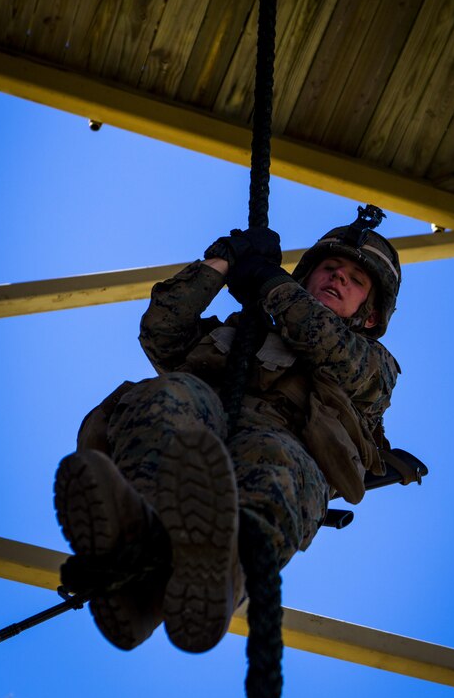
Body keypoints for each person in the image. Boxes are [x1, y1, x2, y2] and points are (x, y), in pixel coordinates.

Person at [54, 205, 401, 654]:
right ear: (307, 276)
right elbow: (161, 330)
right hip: (201, 433)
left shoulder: (374, 367)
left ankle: (217, 580)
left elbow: (323, 341)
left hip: (283, 451)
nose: (338, 278)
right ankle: (135, 543)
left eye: (355, 280)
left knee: (275, 466)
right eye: (330, 267)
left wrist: (270, 283)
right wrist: (224, 260)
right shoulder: (242, 332)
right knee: (169, 394)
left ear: (369, 316)